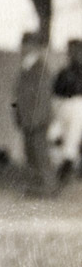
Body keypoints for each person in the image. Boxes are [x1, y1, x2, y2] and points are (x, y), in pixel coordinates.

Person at [13, 30, 57, 196]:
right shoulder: (26, 67)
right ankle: (37, 187)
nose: (24, 48)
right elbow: (19, 95)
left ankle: (49, 187)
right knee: (31, 154)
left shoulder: (40, 68)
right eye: (23, 45)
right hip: (27, 118)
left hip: (36, 120)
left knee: (40, 154)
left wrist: (36, 119)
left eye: (27, 45)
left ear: (35, 47)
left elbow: (43, 97)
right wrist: (19, 116)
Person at [50, 38, 82, 179]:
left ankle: (68, 164)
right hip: (64, 105)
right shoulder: (64, 71)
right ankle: (65, 163)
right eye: (71, 51)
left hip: (78, 105)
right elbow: (56, 90)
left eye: (76, 50)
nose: (73, 54)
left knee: (73, 136)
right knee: (55, 134)